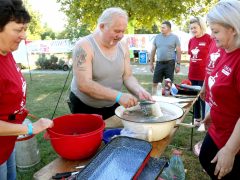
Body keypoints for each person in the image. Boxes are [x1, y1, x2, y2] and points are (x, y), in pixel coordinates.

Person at [0, 0, 53, 179]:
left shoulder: (7, 53)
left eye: (25, 29)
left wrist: (19, 112)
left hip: (6, 146)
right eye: (18, 30)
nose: (24, 35)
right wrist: (31, 128)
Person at [69, 7, 152, 120]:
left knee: (112, 134)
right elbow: (84, 84)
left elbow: (127, 76)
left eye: (123, 31)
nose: (121, 35)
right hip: (85, 106)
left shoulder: (123, 46)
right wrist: (118, 96)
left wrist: (139, 90)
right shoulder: (84, 46)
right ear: (102, 26)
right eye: (117, 31)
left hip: (113, 104)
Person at [199, 0, 240, 179]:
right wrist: (214, 111)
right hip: (219, 127)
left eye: (216, 31)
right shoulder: (223, 49)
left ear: (234, 28)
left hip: (234, 137)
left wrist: (230, 150)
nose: (212, 36)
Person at [188, 16, 212, 126]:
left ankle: (203, 120)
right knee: (194, 98)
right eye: (191, 28)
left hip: (204, 75)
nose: (193, 30)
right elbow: (191, 55)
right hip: (192, 74)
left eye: (195, 27)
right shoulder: (191, 40)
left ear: (201, 26)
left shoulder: (209, 39)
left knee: (203, 98)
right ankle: (196, 119)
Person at [149, 21, 181, 93]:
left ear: (169, 28)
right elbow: (153, 50)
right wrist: (151, 64)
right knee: (155, 83)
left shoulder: (175, 37)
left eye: (163, 27)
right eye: (161, 27)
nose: (161, 29)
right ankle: (154, 99)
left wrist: (178, 64)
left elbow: (179, 51)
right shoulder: (157, 37)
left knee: (168, 84)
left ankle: (167, 100)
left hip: (170, 64)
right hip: (159, 63)